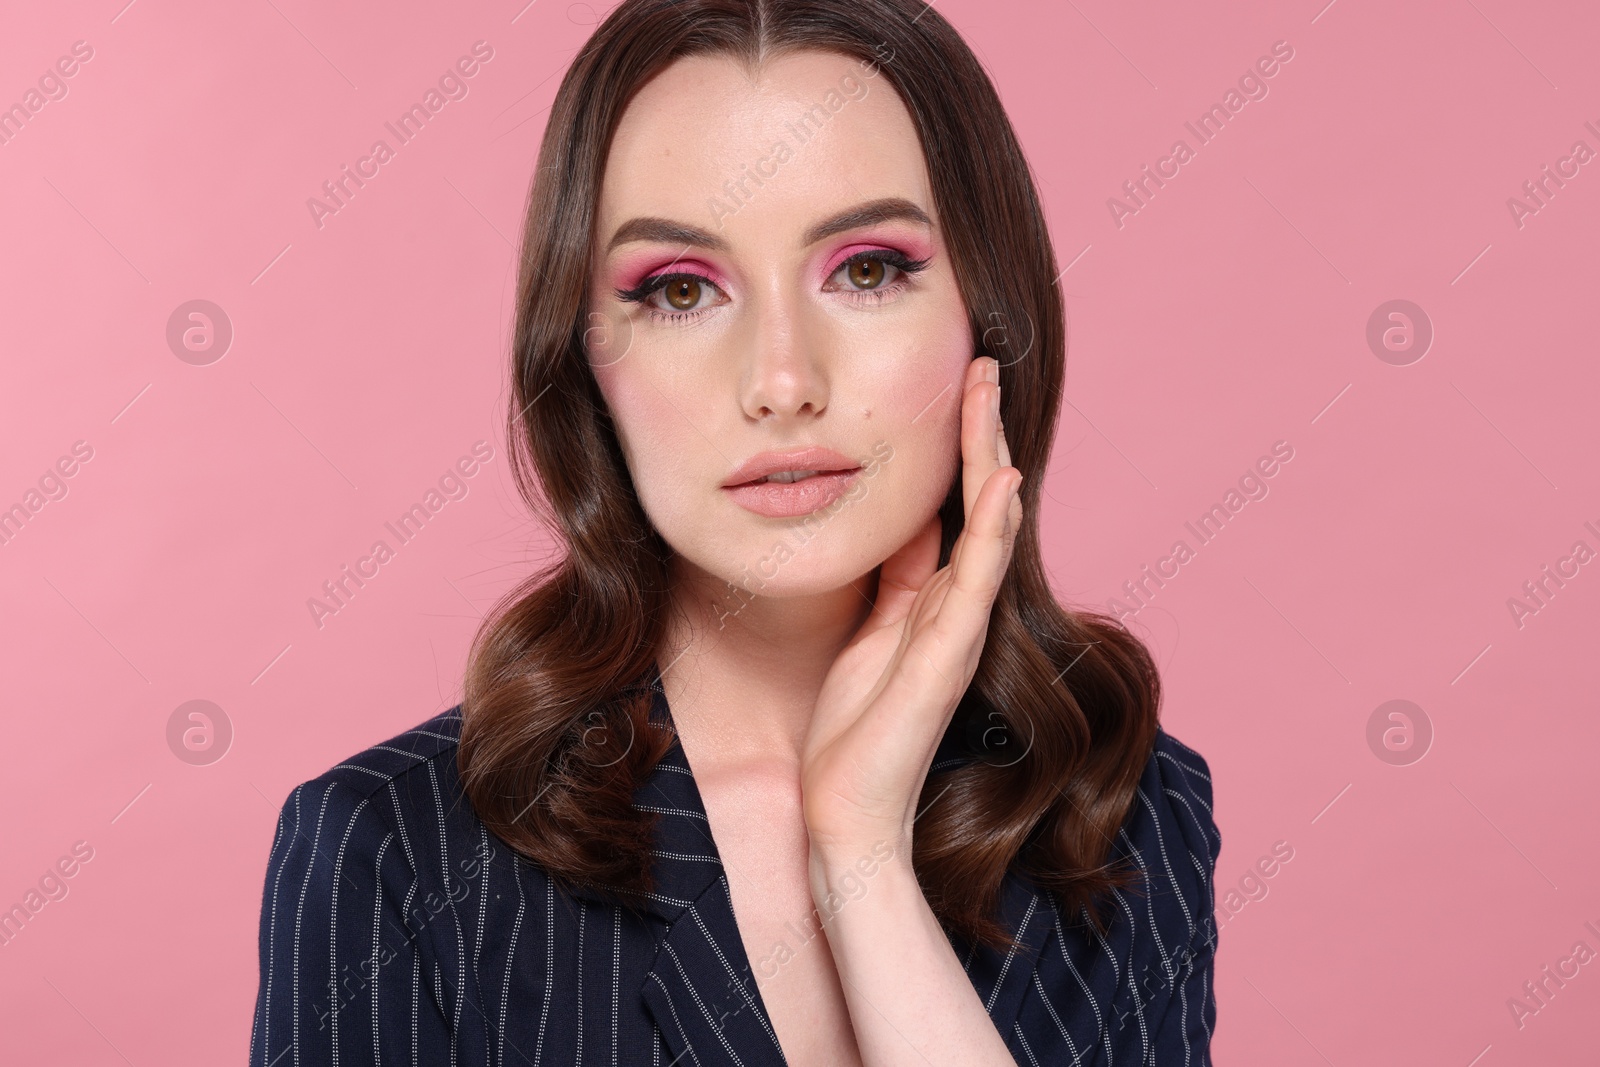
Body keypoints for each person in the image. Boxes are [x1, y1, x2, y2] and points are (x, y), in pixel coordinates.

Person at [248, 1, 1221, 1064]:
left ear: (987, 316)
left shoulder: (1122, 811)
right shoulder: (395, 855)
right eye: (678, 289)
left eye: (865, 270)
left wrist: (862, 858)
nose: (781, 383)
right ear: (584, 358)